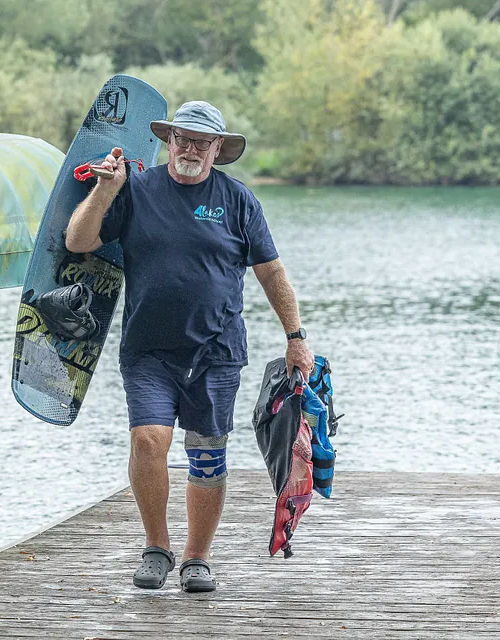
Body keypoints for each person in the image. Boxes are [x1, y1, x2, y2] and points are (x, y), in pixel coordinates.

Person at [65, 101, 314, 593]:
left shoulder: (238, 200)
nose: (190, 148)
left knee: (206, 454)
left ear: (218, 149)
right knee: (147, 441)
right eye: (182, 138)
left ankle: (197, 558)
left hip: (217, 352)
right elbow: (78, 242)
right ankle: (157, 546)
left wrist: (296, 337)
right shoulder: (136, 189)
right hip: (148, 351)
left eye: (202, 141)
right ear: (168, 140)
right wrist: (105, 189)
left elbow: (271, 273)